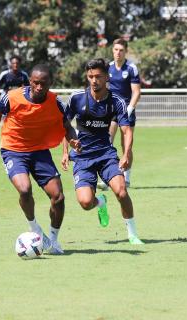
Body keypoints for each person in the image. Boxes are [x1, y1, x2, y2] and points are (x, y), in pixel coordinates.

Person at [0, 64, 80, 255]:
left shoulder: (55, 101)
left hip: (39, 152)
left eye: (43, 84)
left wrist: (73, 139)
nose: (38, 87)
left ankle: (52, 240)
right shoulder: (13, 97)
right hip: (13, 150)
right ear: (30, 81)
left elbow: (67, 126)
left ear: (50, 84)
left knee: (58, 197)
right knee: (25, 189)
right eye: (35, 83)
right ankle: (35, 228)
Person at [61, 58, 144, 245]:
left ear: (107, 77)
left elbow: (126, 130)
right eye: (90, 76)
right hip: (82, 157)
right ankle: (100, 202)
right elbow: (64, 125)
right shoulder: (76, 98)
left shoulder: (117, 102)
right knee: (85, 202)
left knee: (122, 192)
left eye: (98, 76)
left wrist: (126, 154)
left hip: (106, 155)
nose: (93, 80)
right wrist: (66, 151)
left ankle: (132, 234)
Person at [98, 38, 141, 190]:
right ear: (112, 51)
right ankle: (107, 178)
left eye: (121, 50)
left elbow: (136, 92)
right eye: (116, 49)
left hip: (126, 111)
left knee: (126, 145)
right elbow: (104, 88)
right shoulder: (108, 67)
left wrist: (130, 108)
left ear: (125, 51)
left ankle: (126, 178)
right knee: (107, 142)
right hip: (111, 110)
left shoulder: (131, 68)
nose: (118, 53)